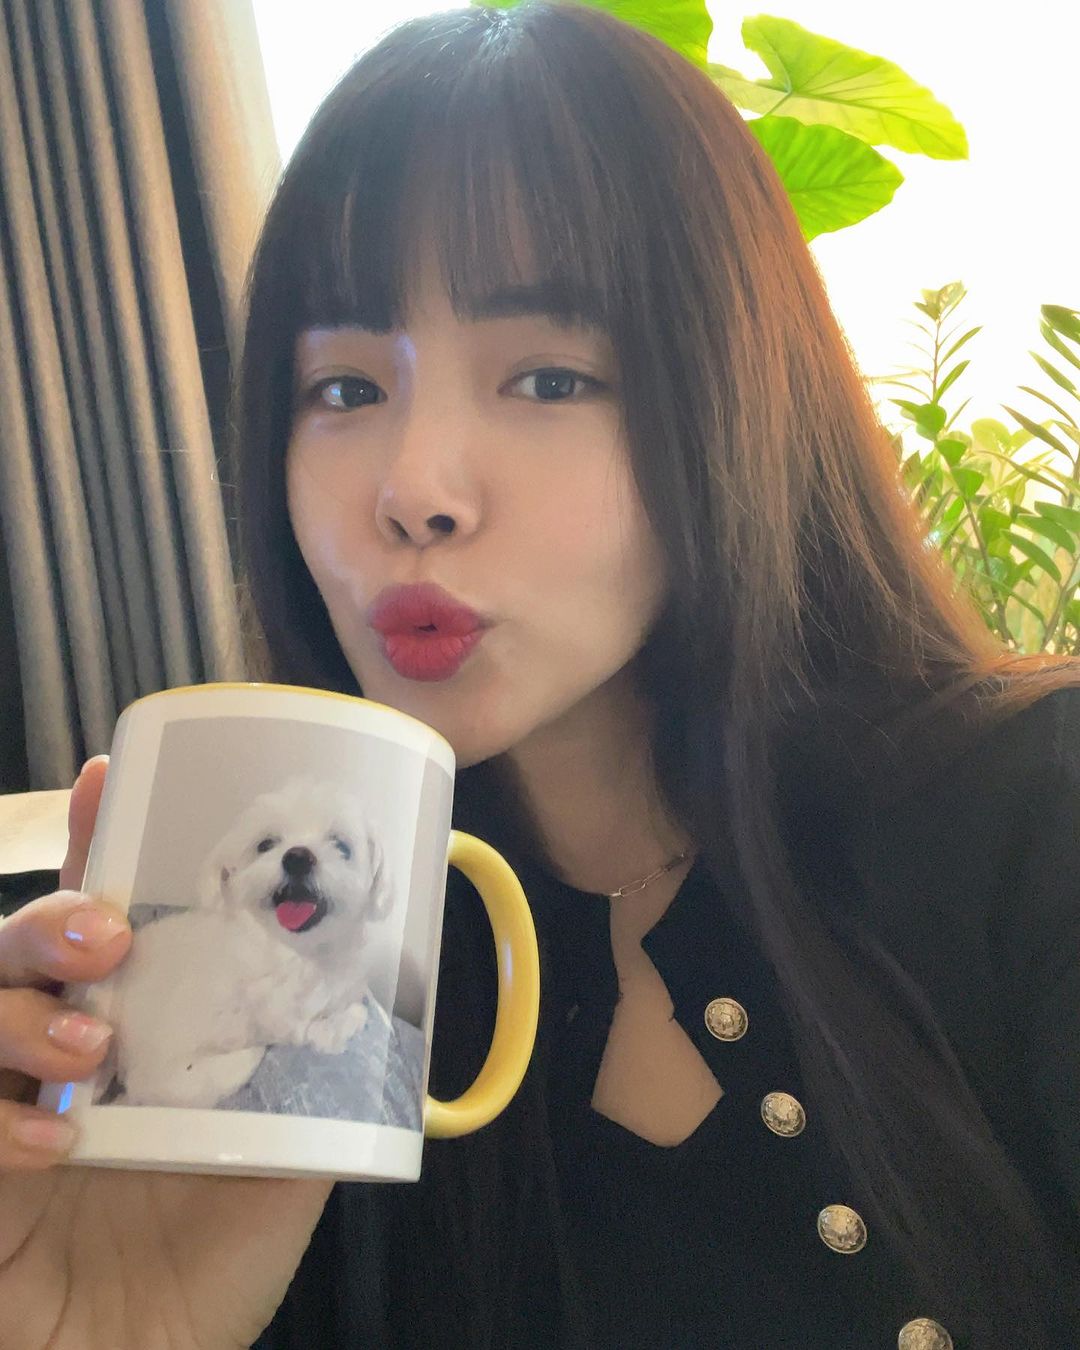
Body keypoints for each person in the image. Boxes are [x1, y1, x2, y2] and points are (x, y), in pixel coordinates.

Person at [1, 3, 1077, 1346]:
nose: (413, 489)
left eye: (551, 379)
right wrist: (117, 1321)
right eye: (343, 389)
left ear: (736, 402)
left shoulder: (1032, 819)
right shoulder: (298, 1035)